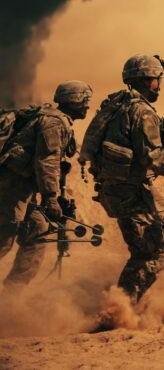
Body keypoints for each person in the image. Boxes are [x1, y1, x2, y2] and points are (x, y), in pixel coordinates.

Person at [80, 54, 164, 302]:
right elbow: (153, 157)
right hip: (129, 192)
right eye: (156, 79)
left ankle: (136, 298)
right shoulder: (142, 112)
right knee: (150, 254)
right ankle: (121, 308)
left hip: (124, 188)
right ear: (144, 80)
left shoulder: (117, 106)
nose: (158, 85)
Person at [0, 80, 92, 290]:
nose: (87, 106)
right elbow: (46, 161)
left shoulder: (58, 120)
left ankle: (12, 295)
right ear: (72, 101)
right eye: (84, 101)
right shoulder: (53, 123)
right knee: (4, 237)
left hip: (25, 188)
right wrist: (50, 198)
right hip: (12, 186)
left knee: (38, 233)